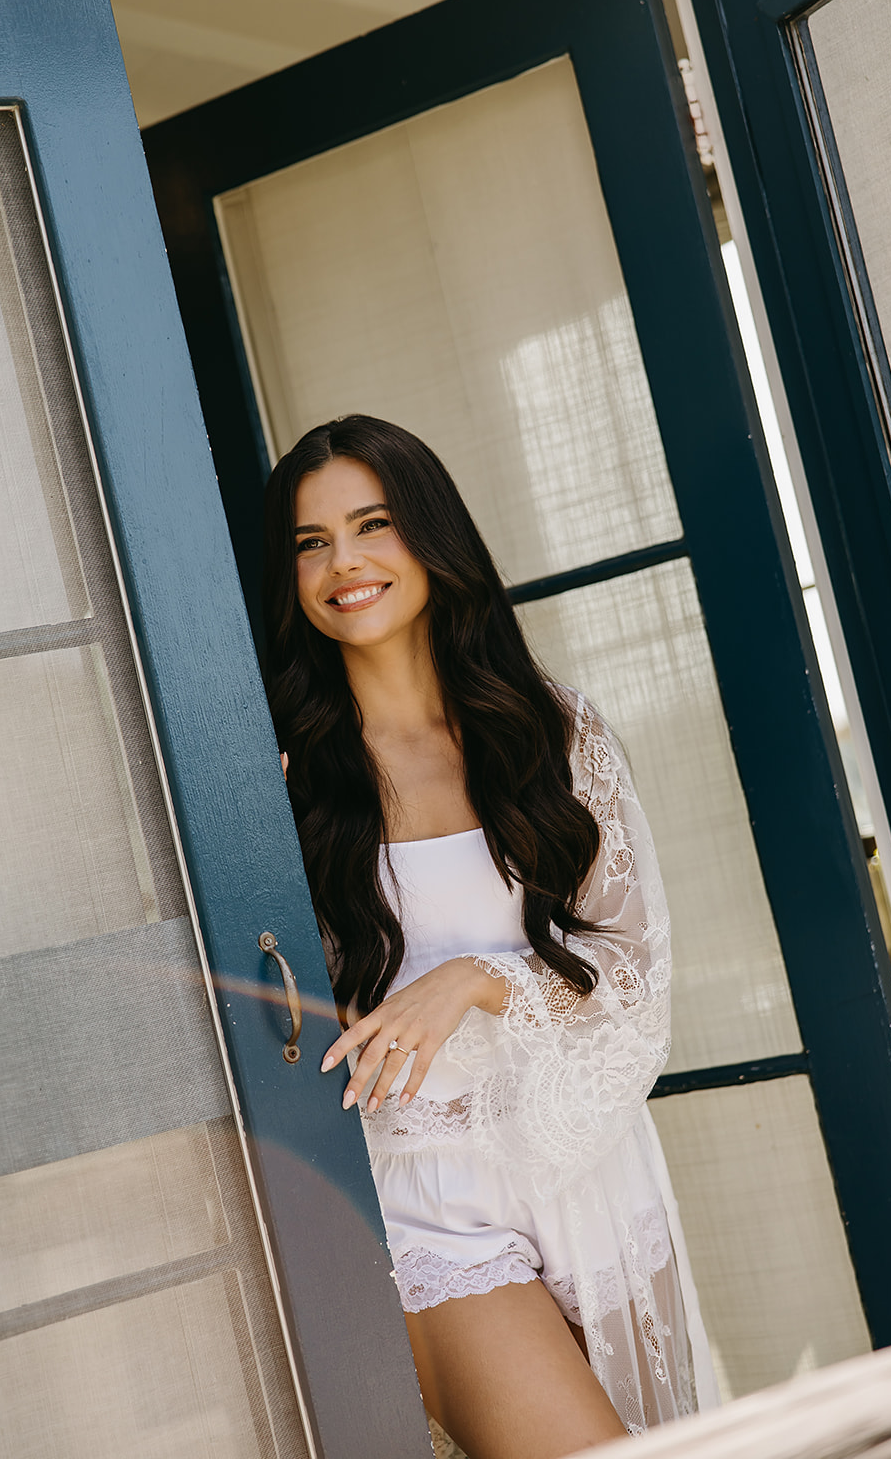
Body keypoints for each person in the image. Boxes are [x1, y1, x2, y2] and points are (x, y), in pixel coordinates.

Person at [262, 414, 717, 1459]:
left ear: (430, 537)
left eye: (370, 524)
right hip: (422, 1197)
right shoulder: (282, 782)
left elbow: (631, 972)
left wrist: (476, 978)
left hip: (584, 1168)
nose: (343, 563)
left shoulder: (550, 731)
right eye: (309, 541)